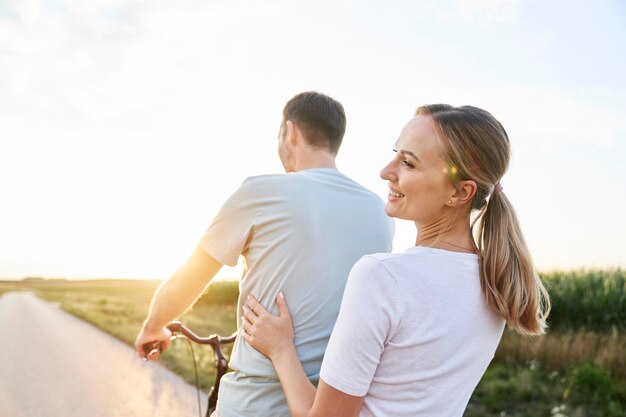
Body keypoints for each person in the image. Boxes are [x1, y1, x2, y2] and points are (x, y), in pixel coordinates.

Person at [241, 104, 551, 417]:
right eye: (396, 154)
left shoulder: (382, 276)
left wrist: (280, 350)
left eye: (408, 163)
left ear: (460, 193)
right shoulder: (496, 283)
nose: (386, 171)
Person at [134, 91, 394, 417]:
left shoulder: (260, 191)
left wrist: (153, 326)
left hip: (251, 405)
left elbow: (188, 278)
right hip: (331, 404)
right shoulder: (379, 211)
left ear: (291, 131)